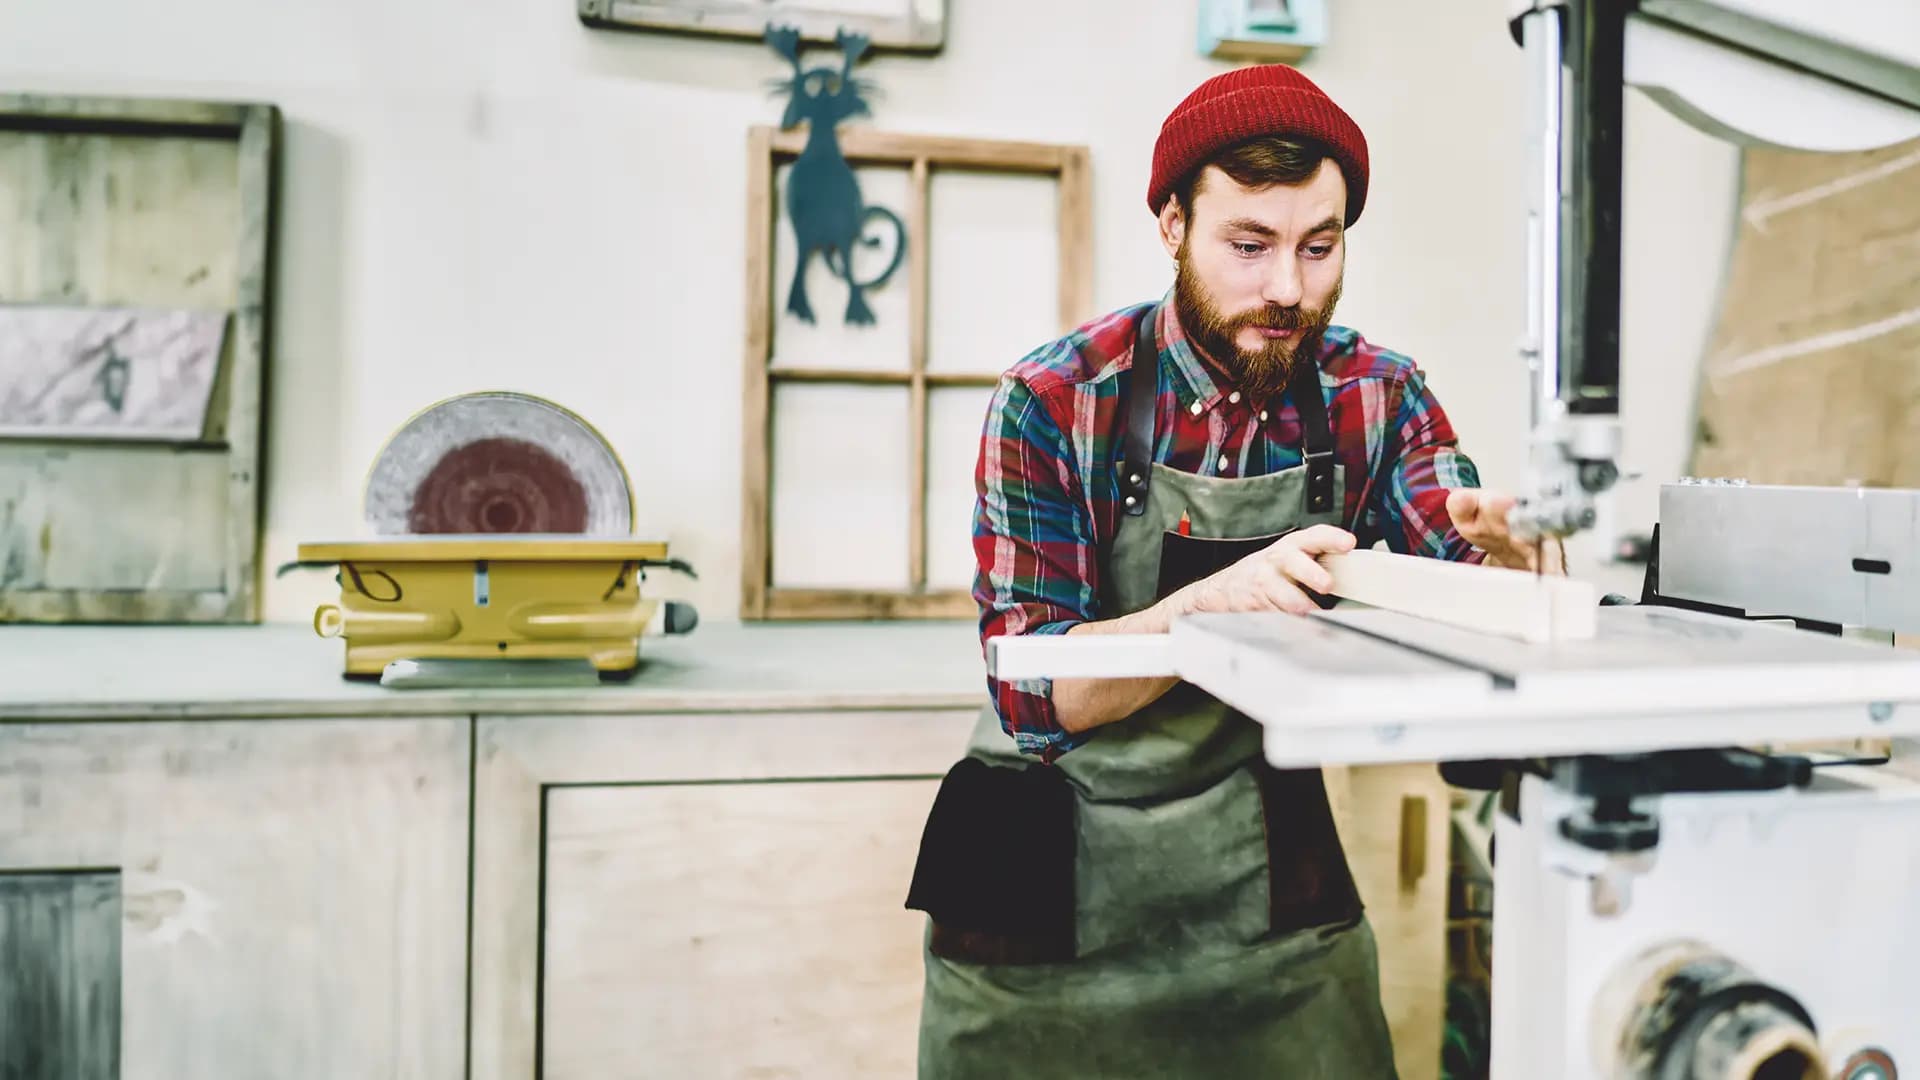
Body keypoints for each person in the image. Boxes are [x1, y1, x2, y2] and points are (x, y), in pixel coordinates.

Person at [903, 63, 1559, 1078]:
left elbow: (1466, 590)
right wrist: (1214, 605)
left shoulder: (1374, 397)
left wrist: (1513, 568)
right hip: (1047, 870)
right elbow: (1038, 690)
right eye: (1248, 246)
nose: (1288, 288)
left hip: (1256, 874)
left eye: (1319, 245)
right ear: (1171, 222)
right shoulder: (1055, 399)